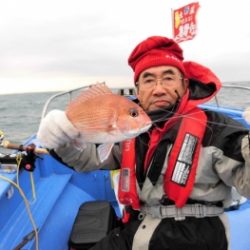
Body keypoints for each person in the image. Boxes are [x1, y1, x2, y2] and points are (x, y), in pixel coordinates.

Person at [37, 36, 250, 250]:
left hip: (196, 235)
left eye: (168, 78)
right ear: (138, 90)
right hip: (137, 227)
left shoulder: (218, 129)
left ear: (184, 84)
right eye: (148, 80)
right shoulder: (130, 130)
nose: (158, 89)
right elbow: (90, 161)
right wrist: (61, 138)